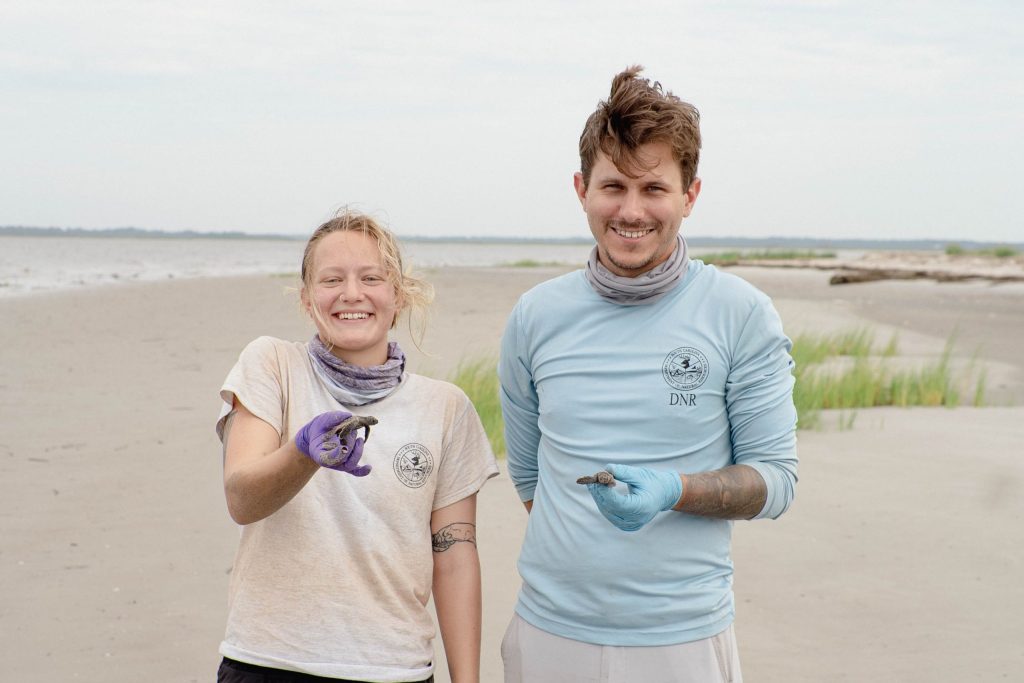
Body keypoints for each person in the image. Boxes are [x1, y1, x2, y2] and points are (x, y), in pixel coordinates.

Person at [498, 66, 798, 682]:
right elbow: (531, 476)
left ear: (689, 195)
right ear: (582, 188)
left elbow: (776, 480)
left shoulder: (740, 313)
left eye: (654, 189)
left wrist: (675, 491)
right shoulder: (535, 316)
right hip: (550, 632)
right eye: (613, 186)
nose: (631, 211)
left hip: (682, 638)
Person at [215, 210, 499, 682]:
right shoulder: (272, 365)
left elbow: (454, 555)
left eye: (371, 278)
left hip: (396, 668)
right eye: (331, 280)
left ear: (398, 297)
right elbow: (241, 499)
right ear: (307, 299)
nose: (351, 293)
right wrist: (302, 453)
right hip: (269, 662)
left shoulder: (445, 406)